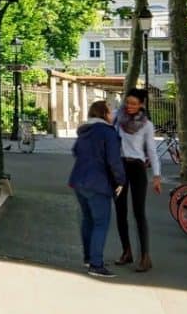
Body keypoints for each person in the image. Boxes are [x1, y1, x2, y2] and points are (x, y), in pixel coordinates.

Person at [68, 100, 125, 279]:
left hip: (79, 181)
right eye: (109, 111)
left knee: (88, 220)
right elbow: (114, 160)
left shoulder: (84, 131)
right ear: (104, 113)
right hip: (98, 183)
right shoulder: (108, 132)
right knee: (101, 223)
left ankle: (89, 257)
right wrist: (120, 181)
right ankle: (96, 264)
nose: (112, 114)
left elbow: (75, 151)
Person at [112, 89, 162, 273]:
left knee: (139, 212)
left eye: (134, 104)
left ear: (141, 104)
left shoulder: (147, 125)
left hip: (137, 168)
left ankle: (145, 256)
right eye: (128, 103)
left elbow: (152, 151)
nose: (130, 107)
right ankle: (126, 252)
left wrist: (157, 176)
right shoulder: (118, 117)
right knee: (120, 210)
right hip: (119, 168)